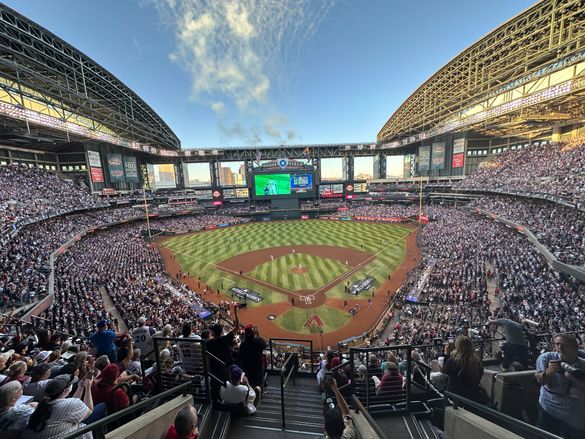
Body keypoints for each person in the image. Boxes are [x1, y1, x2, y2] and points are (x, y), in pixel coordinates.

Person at [24, 374, 105, 439]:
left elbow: (72, 405)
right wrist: (88, 388)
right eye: (71, 384)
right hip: (72, 434)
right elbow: (89, 410)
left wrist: (80, 387)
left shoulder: (44, 403)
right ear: (65, 391)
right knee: (102, 406)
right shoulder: (69, 404)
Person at [535, 334, 585, 439]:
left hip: (574, 412)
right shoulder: (546, 357)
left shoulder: (583, 364)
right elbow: (541, 381)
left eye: (564, 345)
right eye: (557, 344)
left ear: (575, 347)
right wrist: (549, 372)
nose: (560, 348)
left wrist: (573, 378)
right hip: (549, 407)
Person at [443, 336, 486, 404]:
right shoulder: (476, 361)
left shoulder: (454, 361)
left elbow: (446, 370)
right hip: (472, 396)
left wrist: (446, 354)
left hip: (455, 397)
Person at [238, 325, 266, 394]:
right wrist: (257, 335)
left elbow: (240, 358)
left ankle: (249, 394)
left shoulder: (243, 345)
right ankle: (260, 394)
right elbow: (264, 344)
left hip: (247, 368)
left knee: (249, 382)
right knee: (259, 380)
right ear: (253, 334)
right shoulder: (258, 341)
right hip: (257, 366)